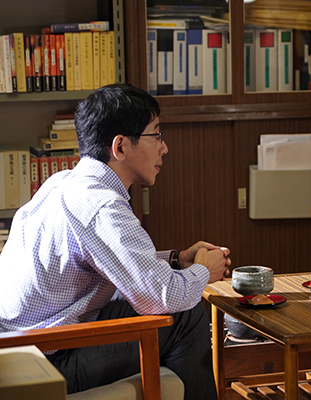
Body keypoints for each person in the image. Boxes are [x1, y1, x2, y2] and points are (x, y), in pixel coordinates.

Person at [0, 83, 230, 400]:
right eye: (156, 135)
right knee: (184, 316)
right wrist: (204, 270)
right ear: (120, 146)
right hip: (43, 360)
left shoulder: (62, 182)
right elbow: (159, 298)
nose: (164, 148)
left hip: (17, 344)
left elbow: (106, 259)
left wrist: (177, 260)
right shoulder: (102, 206)